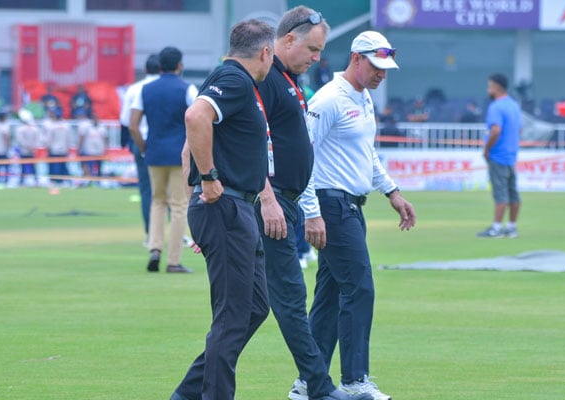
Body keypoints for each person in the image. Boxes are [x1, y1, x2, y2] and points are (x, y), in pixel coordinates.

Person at [252, 8, 371, 400]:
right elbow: (267, 148)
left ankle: (311, 384)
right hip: (290, 204)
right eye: (313, 49)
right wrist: (299, 206)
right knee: (299, 300)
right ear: (287, 40)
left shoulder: (289, 82)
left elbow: (300, 151)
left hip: (297, 205)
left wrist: (390, 191)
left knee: (266, 308)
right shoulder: (269, 82)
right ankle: (334, 385)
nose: (318, 58)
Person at [301, 30, 417, 400]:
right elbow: (303, 158)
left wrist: (392, 191)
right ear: (356, 58)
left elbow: (367, 154)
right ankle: (353, 381)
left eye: (386, 68)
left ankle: (308, 383)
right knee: (359, 287)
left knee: (330, 295)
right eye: (376, 66)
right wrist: (311, 213)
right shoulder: (329, 99)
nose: (382, 74)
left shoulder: (363, 98)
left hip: (351, 205)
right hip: (331, 206)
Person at [170, 19, 275, 400]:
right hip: (228, 207)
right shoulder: (234, 80)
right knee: (232, 319)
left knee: (254, 309)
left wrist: (199, 198)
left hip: (230, 210)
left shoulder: (227, 80)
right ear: (265, 52)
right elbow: (194, 117)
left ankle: (187, 393)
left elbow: (188, 147)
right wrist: (209, 181)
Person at [129, 46, 197, 273]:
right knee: (179, 206)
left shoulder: (145, 89)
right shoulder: (188, 89)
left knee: (157, 202)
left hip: (154, 153)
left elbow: (133, 125)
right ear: (179, 65)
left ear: (159, 66)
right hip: (179, 154)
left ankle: (154, 248)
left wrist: (143, 148)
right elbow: (197, 119)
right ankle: (174, 260)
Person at [476, 73, 522, 238]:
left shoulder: (496, 107)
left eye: (489, 86)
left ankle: (496, 228)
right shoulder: (514, 106)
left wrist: (487, 149)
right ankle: (511, 227)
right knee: (513, 193)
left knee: (500, 193)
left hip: (498, 156)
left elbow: (495, 130)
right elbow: (520, 130)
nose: (488, 89)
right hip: (511, 155)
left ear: (495, 87)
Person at [120, 54, 160, 241]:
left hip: (141, 141)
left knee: (146, 190)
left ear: (145, 70)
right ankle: (175, 234)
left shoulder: (135, 89)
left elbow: (126, 120)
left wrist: (136, 146)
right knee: (173, 193)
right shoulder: (173, 87)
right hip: (166, 143)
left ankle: (150, 234)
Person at [42, 106, 73, 186]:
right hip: (63, 149)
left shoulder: (52, 126)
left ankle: (55, 181)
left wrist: (48, 147)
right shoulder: (66, 125)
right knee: (62, 166)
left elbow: (49, 139)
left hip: (54, 150)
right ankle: (63, 182)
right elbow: (69, 139)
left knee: (55, 167)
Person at [15, 109, 41, 186]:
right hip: (31, 150)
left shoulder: (20, 129)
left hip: (25, 150)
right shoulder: (34, 128)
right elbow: (37, 139)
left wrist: (29, 147)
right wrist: (32, 147)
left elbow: (20, 140)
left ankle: (24, 181)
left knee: (25, 167)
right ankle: (34, 181)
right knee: (31, 167)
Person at [77, 114, 107, 178]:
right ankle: (89, 179)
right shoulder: (87, 128)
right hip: (89, 152)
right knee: (89, 167)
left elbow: (105, 139)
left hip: (99, 152)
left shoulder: (102, 128)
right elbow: (82, 138)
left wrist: (105, 149)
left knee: (99, 167)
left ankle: (98, 180)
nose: (95, 120)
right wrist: (80, 148)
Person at [0, 108, 11, 186]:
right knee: (5, 166)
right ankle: (5, 181)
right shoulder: (5, 125)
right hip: (3, 149)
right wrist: (9, 147)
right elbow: (7, 138)